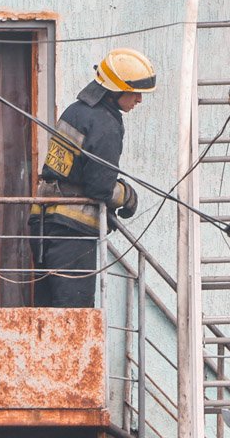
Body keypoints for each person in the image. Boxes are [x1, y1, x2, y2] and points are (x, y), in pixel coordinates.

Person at [31, 49, 153, 307]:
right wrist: (127, 196)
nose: (139, 100)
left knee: (48, 312)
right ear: (116, 90)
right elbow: (100, 187)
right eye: (134, 92)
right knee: (74, 315)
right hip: (72, 232)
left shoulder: (75, 111)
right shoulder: (105, 123)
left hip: (44, 224)